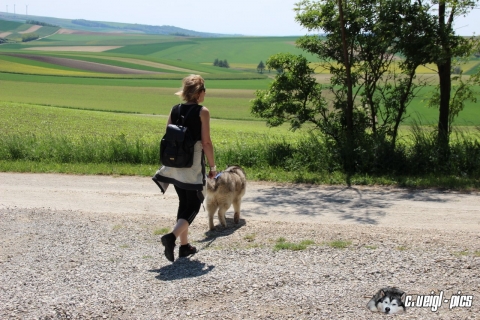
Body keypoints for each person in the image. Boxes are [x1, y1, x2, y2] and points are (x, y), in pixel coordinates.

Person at [152, 74, 216, 262]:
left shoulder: (174, 109)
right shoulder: (202, 111)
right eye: (204, 90)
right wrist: (212, 166)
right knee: (195, 204)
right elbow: (206, 142)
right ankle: (171, 237)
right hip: (193, 165)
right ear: (199, 92)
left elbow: (168, 136)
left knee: (183, 202)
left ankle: (184, 246)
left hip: (174, 164)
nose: (205, 94)